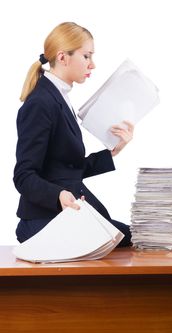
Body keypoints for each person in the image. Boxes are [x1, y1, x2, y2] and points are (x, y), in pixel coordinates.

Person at [13, 22, 134, 246]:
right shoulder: (41, 103)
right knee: (130, 241)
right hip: (43, 219)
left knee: (137, 237)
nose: (93, 64)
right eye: (87, 56)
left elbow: (65, 169)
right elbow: (23, 176)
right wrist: (58, 195)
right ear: (63, 57)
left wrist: (112, 151)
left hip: (66, 213)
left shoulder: (59, 97)